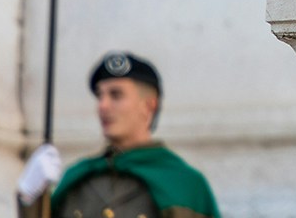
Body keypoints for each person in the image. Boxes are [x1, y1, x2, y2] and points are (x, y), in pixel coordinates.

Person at [16, 52, 219, 218]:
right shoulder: (77, 179)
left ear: (149, 106)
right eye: (99, 95)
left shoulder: (185, 185)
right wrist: (30, 199)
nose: (102, 106)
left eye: (116, 95)